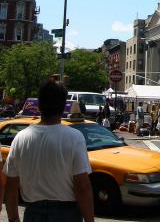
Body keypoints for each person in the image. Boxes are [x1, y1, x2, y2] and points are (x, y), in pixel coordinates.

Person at [3, 79, 94, 222]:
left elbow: (11, 186)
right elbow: (82, 187)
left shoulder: (20, 139)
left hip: (32, 213)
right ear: (64, 107)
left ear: (39, 105)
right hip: (67, 214)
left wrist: (13, 218)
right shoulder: (74, 138)